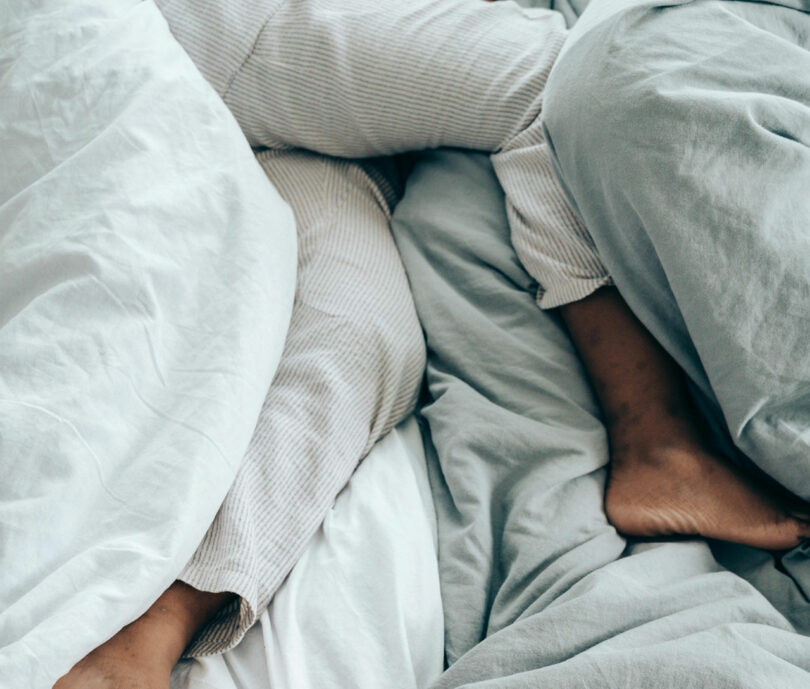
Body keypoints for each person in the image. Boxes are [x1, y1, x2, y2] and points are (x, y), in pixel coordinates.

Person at [55, 0, 810, 685]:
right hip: (239, 34)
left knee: (366, 334)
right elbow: (543, 88)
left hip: (325, 135)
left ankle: (145, 638)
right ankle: (657, 440)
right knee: (561, 80)